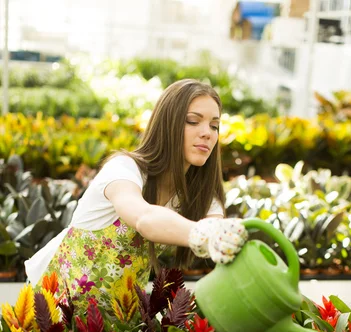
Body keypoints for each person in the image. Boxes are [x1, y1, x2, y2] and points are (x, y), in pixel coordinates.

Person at [25, 79, 248, 313]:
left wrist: (224, 236)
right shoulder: (124, 169)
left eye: (214, 126)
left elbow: (216, 230)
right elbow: (144, 218)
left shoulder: (201, 195)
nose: (207, 134)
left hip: (116, 323)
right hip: (54, 308)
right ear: (167, 124)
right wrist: (203, 234)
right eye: (193, 121)